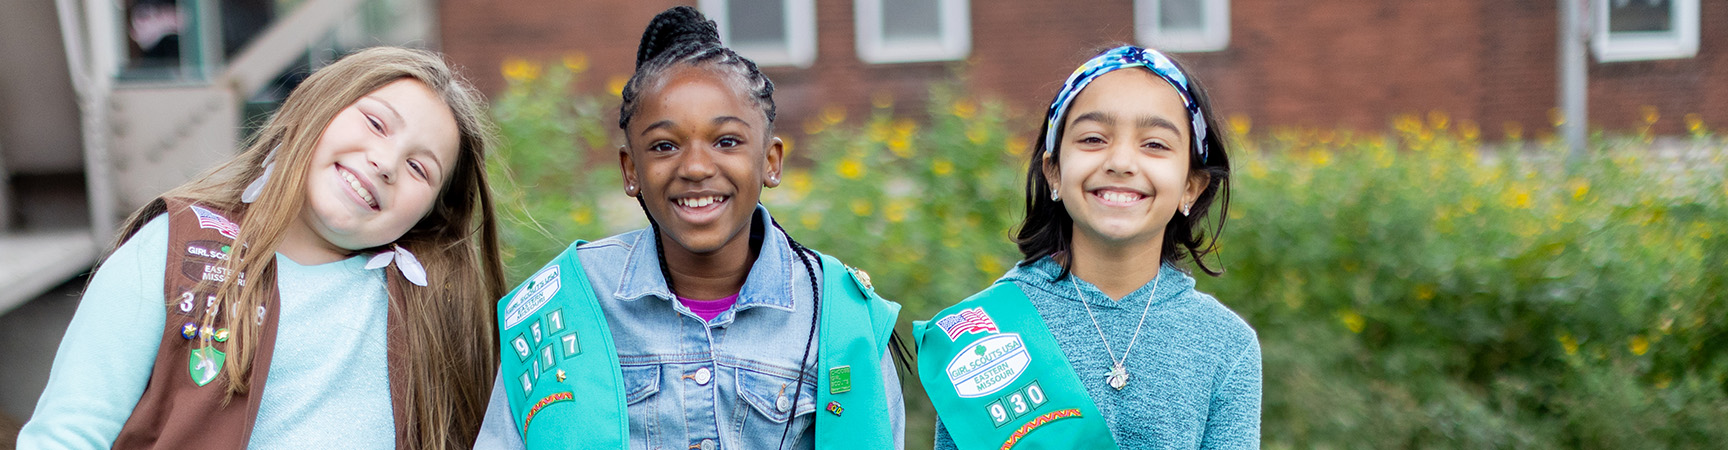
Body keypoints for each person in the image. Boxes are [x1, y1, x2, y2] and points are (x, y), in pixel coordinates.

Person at [18, 46, 506, 450]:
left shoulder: (428, 313)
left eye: (421, 169)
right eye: (376, 124)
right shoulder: (174, 249)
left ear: (431, 215)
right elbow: (67, 435)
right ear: (318, 107)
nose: (386, 163)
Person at [472, 6, 907, 450]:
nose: (696, 167)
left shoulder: (837, 314)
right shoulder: (566, 304)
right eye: (664, 145)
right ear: (631, 170)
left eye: (727, 141)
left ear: (771, 161)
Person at [916, 45, 1260, 449]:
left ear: (1191, 186)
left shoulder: (1225, 343)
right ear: (1054, 172)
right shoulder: (979, 331)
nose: (1120, 162)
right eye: (1094, 138)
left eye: (1154, 144)